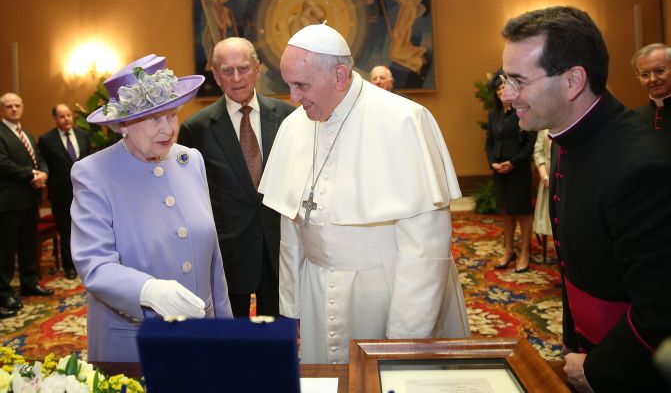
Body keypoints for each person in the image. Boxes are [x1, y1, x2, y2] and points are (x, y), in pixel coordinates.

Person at [258, 23, 470, 364]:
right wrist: (292, 305)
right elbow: (292, 226)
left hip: (383, 292)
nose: (293, 98)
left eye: (301, 85)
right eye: (289, 85)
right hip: (315, 289)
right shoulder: (294, 126)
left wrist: (406, 337)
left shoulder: (404, 120)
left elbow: (425, 246)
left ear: (340, 76)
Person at [500, 6, 671, 392]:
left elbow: (661, 312)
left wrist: (596, 370)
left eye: (518, 81)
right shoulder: (566, 136)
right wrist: (573, 341)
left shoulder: (642, 168)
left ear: (574, 80)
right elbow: (575, 268)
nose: (508, 96)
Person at [71, 54, 233, 362]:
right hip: (136, 343)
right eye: (154, 118)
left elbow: (213, 259)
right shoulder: (93, 173)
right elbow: (95, 265)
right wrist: (149, 291)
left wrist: (224, 328)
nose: (168, 129)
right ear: (123, 125)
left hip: (202, 334)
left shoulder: (190, 160)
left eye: (172, 115)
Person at [179, 37, 294, 317]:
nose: (237, 77)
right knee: (231, 341)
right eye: (227, 71)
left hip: (278, 249)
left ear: (258, 68)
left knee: (278, 338)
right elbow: (192, 198)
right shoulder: (196, 128)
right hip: (227, 254)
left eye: (243, 68)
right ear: (216, 76)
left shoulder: (289, 118)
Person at [0, 92, 53, 317]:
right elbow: (2, 163)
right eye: (9, 106)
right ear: (2, 110)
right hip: (9, 201)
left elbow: (39, 159)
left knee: (29, 244)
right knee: (6, 248)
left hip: (31, 200)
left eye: (17, 105)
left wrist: (44, 173)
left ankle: (29, 282)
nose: (14, 109)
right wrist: (31, 174)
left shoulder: (27, 134)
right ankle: (3, 292)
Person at [485, 70, 536, 273]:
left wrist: (513, 163)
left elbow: (530, 142)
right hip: (499, 170)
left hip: (518, 169)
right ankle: (508, 250)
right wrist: (492, 163)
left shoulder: (523, 110)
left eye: (504, 87)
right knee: (506, 212)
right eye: (498, 89)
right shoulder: (493, 115)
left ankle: (524, 252)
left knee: (522, 212)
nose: (501, 91)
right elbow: (489, 142)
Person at [38, 104, 91, 279]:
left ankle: (88, 262)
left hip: (85, 194)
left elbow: (90, 163)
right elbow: (43, 165)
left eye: (68, 115)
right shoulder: (46, 140)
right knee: (66, 232)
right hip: (60, 195)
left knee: (87, 230)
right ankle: (70, 266)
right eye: (62, 116)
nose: (67, 119)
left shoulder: (84, 135)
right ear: (55, 119)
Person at [631, 43, 671, 145]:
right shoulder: (634, 117)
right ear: (638, 77)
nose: (652, 79)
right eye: (645, 75)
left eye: (660, 71)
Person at [531, 129, 552, 260]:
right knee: (547, 216)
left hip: (569, 180)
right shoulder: (544, 130)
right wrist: (544, 176)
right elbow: (539, 153)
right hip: (547, 180)